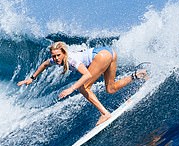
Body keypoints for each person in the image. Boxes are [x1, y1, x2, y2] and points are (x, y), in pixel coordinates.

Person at [17, 41, 147, 125]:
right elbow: (45, 64)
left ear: (64, 53)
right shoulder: (55, 60)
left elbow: (87, 74)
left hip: (101, 56)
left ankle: (105, 114)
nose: (56, 58)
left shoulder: (71, 60)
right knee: (111, 88)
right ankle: (138, 75)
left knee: (83, 87)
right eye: (54, 56)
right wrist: (31, 79)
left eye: (58, 55)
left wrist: (71, 89)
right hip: (109, 52)